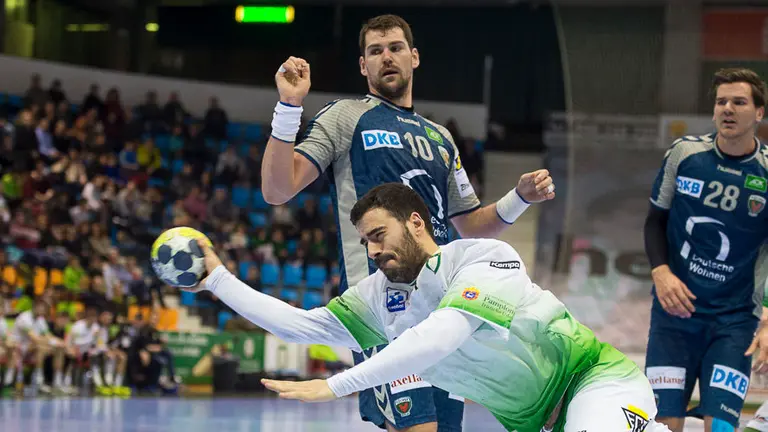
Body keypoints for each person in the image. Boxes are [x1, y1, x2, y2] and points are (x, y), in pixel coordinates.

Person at [260, 13, 555, 432]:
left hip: (441, 307)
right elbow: (277, 189)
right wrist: (289, 107)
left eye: (395, 48)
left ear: (414, 57)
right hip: (382, 303)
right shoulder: (345, 117)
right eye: (375, 51)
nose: (387, 58)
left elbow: (471, 226)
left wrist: (519, 198)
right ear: (363, 66)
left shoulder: (439, 137)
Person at [181, 183, 676, 432]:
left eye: (379, 235)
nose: (372, 251)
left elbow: (441, 335)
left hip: (592, 378)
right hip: (536, 421)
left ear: (416, 223)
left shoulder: (484, 257)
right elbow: (302, 326)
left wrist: (335, 386)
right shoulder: (378, 294)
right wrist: (218, 280)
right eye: (365, 242)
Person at [643, 67, 768, 432]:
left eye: (739, 102)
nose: (728, 108)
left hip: (735, 320)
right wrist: (661, 271)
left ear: (759, 113)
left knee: (721, 427)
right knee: (663, 425)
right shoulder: (685, 154)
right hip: (674, 315)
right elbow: (654, 221)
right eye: (721, 101)